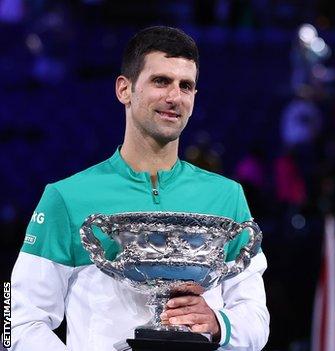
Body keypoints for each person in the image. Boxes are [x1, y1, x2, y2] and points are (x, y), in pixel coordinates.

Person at [10, 26, 269, 351]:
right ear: (125, 89)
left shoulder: (227, 197)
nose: (174, 97)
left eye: (185, 86)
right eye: (160, 81)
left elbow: (257, 319)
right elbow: (18, 322)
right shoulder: (67, 198)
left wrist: (219, 324)